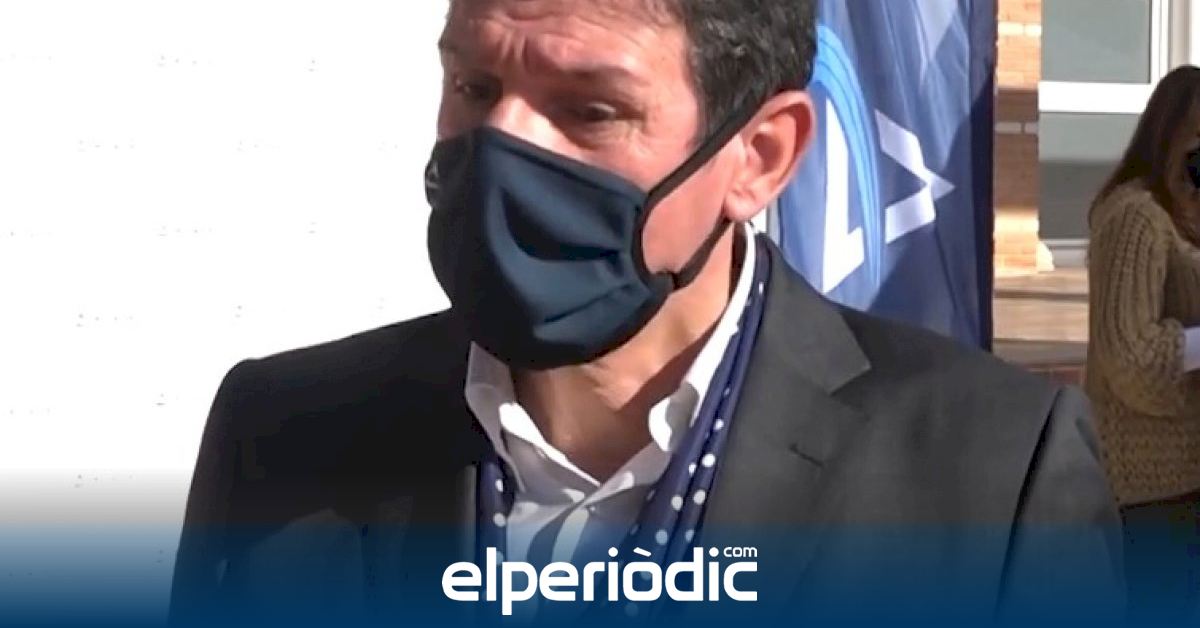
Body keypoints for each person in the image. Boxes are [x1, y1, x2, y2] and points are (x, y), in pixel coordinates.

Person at [170, 0, 1122, 624]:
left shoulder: (994, 478)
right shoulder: (282, 435)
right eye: (474, 87)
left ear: (759, 157)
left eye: (590, 110)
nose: (502, 145)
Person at [1086, 65, 1200, 622]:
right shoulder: (1137, 218)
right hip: (1153, 489)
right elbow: (1129, 356)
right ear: (1170, 135)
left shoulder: (1186, 218)